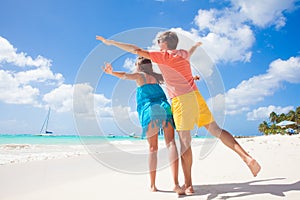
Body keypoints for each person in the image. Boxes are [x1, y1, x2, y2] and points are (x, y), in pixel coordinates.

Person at [96, 32, 261, 195]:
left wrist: (111, 42)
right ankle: (247, 157)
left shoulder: (164, 57)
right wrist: (195, 50)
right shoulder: (182, 54)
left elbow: (135, 50)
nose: (158, 46)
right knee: (216, 130)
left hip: (181, 101)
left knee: (184, 144)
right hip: (196, 96)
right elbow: (180, 64)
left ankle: (188, 185)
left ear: (165, 45)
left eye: (159, 43)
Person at [102, 57, 184, 194]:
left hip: (150, 110)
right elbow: (177, 79)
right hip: (165, 108)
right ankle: (176, 184)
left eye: (135, 64)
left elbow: (125, 75)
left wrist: (112, 72)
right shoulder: (157, 77)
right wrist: (193, 78)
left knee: (153, 148)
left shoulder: (140, 76)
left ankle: (153, 185)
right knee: (171, 144)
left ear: (139, 66)